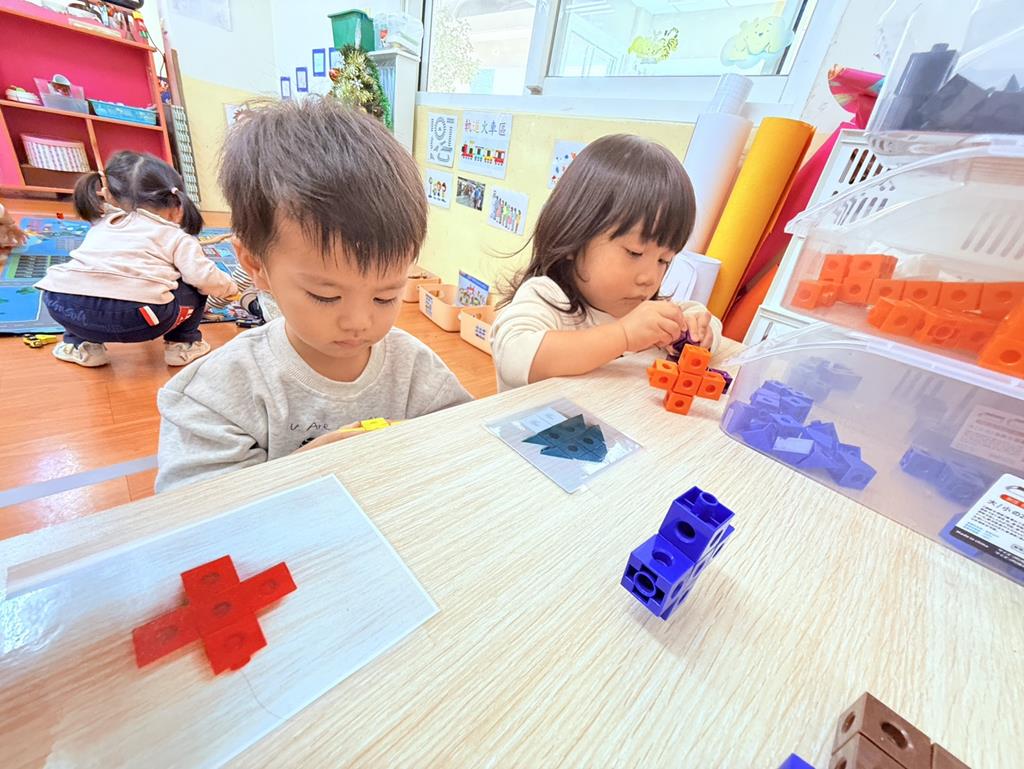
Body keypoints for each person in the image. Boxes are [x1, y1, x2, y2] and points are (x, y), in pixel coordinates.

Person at [155, 99, 472, 493]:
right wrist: (302, 473)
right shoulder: (217, 393)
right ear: (255, 265)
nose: (359, 322)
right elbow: (195, 509)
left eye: (386, 296)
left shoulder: (415, 369)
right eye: (325, 296)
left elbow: (465, 442)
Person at [490, 134, 723, 391]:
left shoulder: (639, 307)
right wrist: (623, 336)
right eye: (634, 253)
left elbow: (702, 318)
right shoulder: (547, 298)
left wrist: (698, 330)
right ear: (574, 237)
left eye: (663, 260)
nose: (649, 278)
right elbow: (513, 358)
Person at [35, 151, 237, 367]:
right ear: (176, 202)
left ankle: (82, 347)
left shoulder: (101, 223)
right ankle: (183, 344)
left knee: (78, 280)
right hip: (140, 318)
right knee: (195, 284)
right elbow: (203, 277)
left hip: (63, 307)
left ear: (108, 195)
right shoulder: (176, 236)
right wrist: (230, 290)